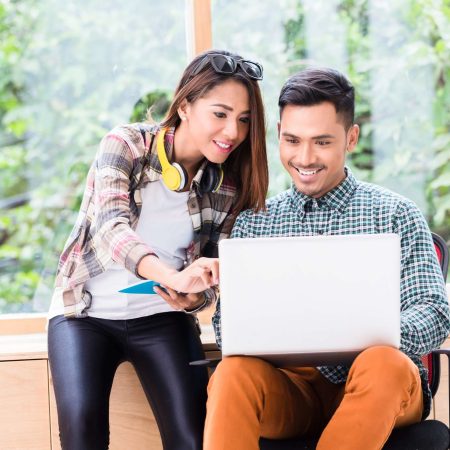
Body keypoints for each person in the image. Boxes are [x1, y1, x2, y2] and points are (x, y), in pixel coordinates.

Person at [205, 67, 450, 450]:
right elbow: (227, 327)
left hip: (378, 385)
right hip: (292, 389)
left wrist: (367, 334)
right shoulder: (254, 222)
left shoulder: (395, 213)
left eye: (321, 142)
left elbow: (434, 310)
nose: (304, 157)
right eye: (292, 140)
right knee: (231, 373)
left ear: (350, 138)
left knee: (384, 363)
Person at [47, 49, 268, 450]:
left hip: (160, 318)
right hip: (84, 312)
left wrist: (194, 295)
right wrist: (172, 276)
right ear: (184, 105)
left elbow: (210, 279)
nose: (233, 132)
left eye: (244, 119)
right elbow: (110, 228)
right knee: (81, 428)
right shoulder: (126, 144)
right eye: (220, 114)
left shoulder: (227, 187)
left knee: (194, 438)